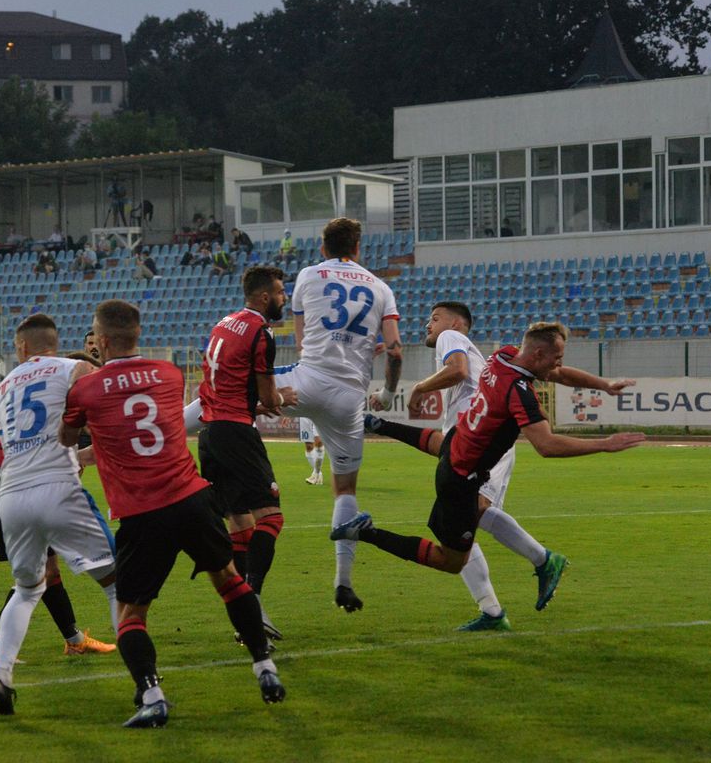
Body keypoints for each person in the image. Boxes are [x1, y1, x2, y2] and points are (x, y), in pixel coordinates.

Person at [61, 300, 285, 728]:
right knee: (229, 581)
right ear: (138, 335)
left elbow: (67, 438)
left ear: (101, 340)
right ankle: (264, 667)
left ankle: (151, 696)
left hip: (142, 511)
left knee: (131, 614)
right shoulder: (169, 374)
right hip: (191, 498)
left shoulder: (85, 390)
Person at [331, 322, 644, 617]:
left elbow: (559, 374)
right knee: (451, 560)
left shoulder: (503, 356)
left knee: (449, 457)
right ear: (538, 354)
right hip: (460, 482)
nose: (559, 363)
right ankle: (366, 532)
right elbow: (546, 445)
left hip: (455, 446)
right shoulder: (520, 393)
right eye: (557, 356)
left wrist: (603, 385)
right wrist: (604, 444)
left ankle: (379, 425)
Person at [0, 314, 121, 715]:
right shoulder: (72, 368)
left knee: (27, 589)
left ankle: (1, 677)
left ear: (22, 347)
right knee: (117, 583)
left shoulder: (2, 388)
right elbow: (103, 404)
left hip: (11, 494)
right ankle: (145, 679)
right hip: (58, 486)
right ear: (53, 343)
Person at [271, 216, 402, 612]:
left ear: (323, 248)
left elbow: (302, 340)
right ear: (358, 248)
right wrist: (388, 392)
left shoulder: (309, 275)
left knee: (224, 393)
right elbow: (395, 350)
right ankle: (343, 582)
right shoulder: (381, 288)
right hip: (349, 398)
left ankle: (170, 426)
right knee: (345, 490)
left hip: (307, 380)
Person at [198, 265, 294, 645]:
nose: (284, 298)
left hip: (209, 434)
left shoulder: (224, 324)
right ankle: (251, 605)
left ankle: (245, 621)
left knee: (240, 525)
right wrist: (282, 397)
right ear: (265, 296)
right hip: (237, 432)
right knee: (272, 517)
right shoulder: (260, 332)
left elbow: (224, 385)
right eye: (281, 292)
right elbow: (270, 397)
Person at [0, 425, 116, 667]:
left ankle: (74, 640)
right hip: (9, 483)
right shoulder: (65, 416)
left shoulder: (37, 408)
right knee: (37, 573)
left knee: (48, 569)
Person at [299, 418, 325, 486]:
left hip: (318, 414)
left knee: (319, 442)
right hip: (304, 416)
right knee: (309, 446)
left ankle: (316, 474)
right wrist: (288, 415)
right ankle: (318, 474)